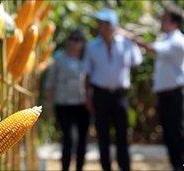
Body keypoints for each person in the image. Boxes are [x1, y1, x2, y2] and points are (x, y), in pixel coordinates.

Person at [119, 5, 184, 171]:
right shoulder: (166, 39)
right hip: (166, 95)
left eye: (164, 18)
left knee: (178, 133)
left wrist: (130, 37)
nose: (161, 21)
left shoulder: (177, 40)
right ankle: (178, 167)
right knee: (169, 134)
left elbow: (151, 48)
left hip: (174, 94)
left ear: (173, 22)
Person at [83, 8, 143, 171]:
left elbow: (137, 61)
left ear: (113, 26)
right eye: (100, 23)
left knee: (122, 135)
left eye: (104, 23)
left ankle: (125, 167)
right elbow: (87, 74)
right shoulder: (92, 46)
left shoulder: (126, 43)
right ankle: (106, 167)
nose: (100, 26)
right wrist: (88, 97)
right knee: (103, 136)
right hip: (100, 95)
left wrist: (131, 39)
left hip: (119, 95)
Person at [45, 30, 89, 171]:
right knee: (68, 139)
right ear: (68, 41)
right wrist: (48, 104)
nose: (76, 43)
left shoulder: (87, 59)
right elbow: (50, 83)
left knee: (82, 139)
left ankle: (79, 167)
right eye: (73, 39)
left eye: (79, 40)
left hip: (83, 104)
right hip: (63, 104)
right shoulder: (58, 58)